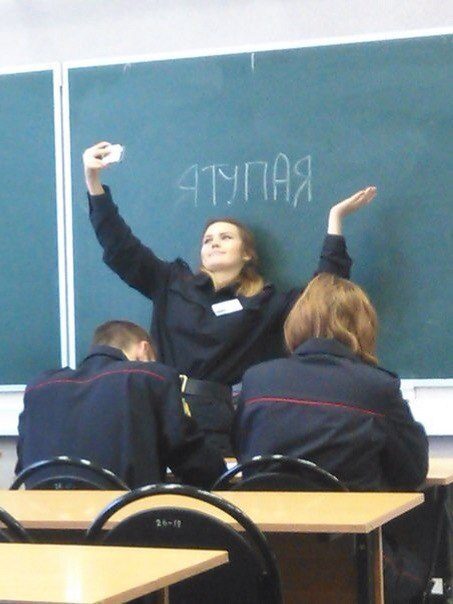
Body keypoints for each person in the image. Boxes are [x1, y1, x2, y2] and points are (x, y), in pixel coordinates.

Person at [83, 141, 377, 454]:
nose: (214, 243)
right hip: (170, 414)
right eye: (208, 239)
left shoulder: (267, 302)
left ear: (247, 253)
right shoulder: (171, 283)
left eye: (226, 237)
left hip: (237, 422)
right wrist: (93, 181)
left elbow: (324, 295)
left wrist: (335, 220)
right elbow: (120, 246)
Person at [232, 273, 429, 602]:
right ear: (363, 328)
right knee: (429, 525)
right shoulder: (376, 388)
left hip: (265, 564)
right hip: (354, 565)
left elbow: (243, 455)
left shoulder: (256, 380)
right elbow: (412, 472)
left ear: (296, 322)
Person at [16, 320, 226, 489]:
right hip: (123, 522)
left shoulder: (39, 386)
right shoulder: (151, 377)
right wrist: (221, 476)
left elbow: (23, 466)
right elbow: (192, 459)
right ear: (144, 350)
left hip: (42, 523)